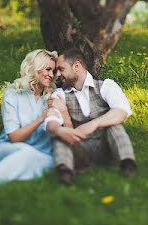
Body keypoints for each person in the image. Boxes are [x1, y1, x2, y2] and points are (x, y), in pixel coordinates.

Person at [0, 48, 70, 199]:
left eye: (54, 70)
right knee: (25, 154)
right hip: (9, 147)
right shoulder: (13, 94)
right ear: (35, 68)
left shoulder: (55, 96)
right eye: (47, 69)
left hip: (43, 153)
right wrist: (40, 118)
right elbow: (13, 137)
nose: (52, 75)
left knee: (49, 163)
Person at [46, 47, 137, 185]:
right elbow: (51, 122)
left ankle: (128, 166)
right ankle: (66, 173)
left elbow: (122, 110)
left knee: (114, 125)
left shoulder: (106, 86)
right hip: (79, 149)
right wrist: (60, 129)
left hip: (107, 146)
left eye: (61, 69)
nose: (57, 74)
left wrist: (94, 123)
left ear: (76, 66)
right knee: (60, 136)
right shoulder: (59, 94)